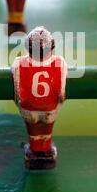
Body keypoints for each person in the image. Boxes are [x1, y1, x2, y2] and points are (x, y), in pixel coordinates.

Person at [11, 26, 68, 170]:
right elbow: (62, 94)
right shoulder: (60, 62)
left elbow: (17, 92)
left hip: (28, 107)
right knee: (47, 129)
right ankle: (46, 150)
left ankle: (35, 151)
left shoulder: (18, 63)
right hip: (50, 106)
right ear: (52, 47)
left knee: (33, 130)